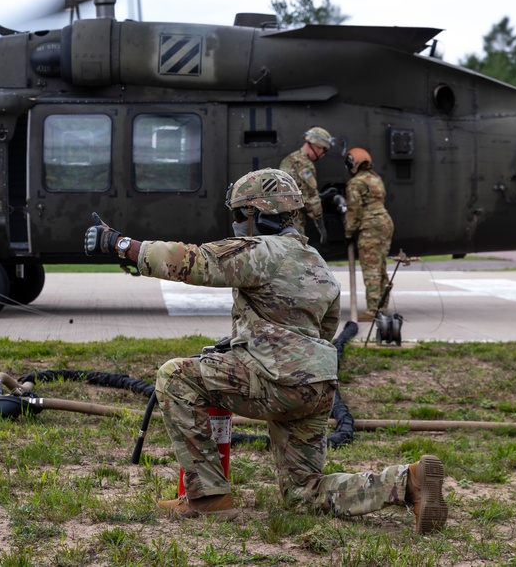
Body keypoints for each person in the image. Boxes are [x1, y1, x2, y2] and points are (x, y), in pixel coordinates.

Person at [83, 168, 447, 532]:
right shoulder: (316, 262)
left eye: (240, 215)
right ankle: (408, 482)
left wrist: (119, 243)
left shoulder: (260, 250)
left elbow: (192, 261)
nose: (238, 224)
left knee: (175, 376)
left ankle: (209, 497)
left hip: (276, 383)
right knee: (304, 492)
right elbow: (323, 330)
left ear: (257, 214)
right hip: (317, 387)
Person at [344, 148, 394, 322]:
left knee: (370, 268)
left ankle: (373, 311)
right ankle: (383, 307)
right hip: (385, 223)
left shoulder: (355, 183)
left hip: (370, 226)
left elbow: (354, 209)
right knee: (380, 267)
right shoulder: (376, 179)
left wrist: (349, 231)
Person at [279, 126, 335, 244]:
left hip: (280, 221)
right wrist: (321, 226)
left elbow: (298, 190)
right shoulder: (305, 165)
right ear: (316, 145)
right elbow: (311, 199)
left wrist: (321, 195)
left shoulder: (289, 159)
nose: (324, 154)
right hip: (294, 222)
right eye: (324, 149)